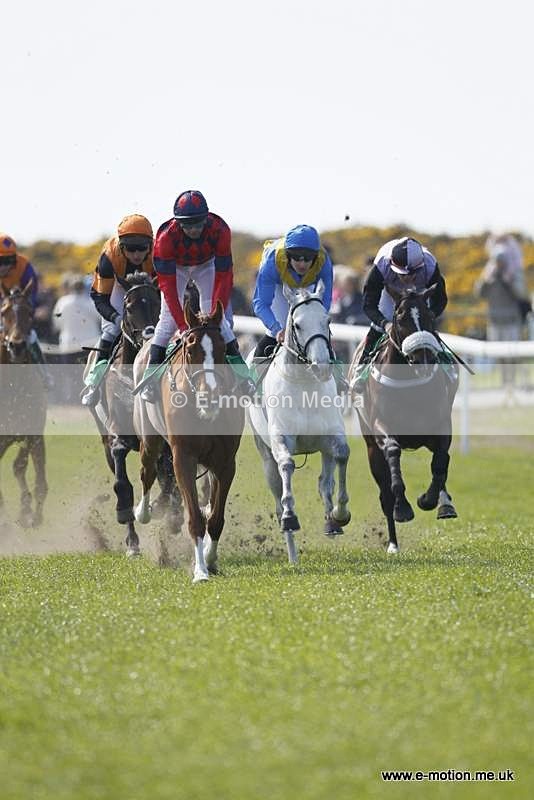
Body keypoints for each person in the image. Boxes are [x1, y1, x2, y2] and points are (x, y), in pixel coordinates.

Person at [139, 190, 254, 402]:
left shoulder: (220, 230)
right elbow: (169, 289)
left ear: (206, 218)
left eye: (198, 224)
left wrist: (214, 314)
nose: (193, 229)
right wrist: (183, 327)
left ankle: (243, 376)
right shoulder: (165, 238)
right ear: (178, 222)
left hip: (206, 266)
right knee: (166, 321)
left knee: (220, 323)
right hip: (176, 269)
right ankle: (150, 380)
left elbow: (224, 276)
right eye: (187, 225)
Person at [351, 236, 448, 391]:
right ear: (392, 265)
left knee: (425, 327)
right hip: (390, 295)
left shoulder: (430, 266)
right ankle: (361, 370)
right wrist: (385, 324)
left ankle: (446, 367)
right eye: (402, 274)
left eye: (412, 274)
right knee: (378, 327)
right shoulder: (381, 267)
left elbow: (441, 301)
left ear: (420, 267)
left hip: (420, 295)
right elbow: (368, 305)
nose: (407, 279)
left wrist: (428, 317)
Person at [81, 214, 154, 406]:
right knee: (112, 330)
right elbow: (99, 297)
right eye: (131, 248)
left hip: (148, 290)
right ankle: (94, 382)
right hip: (117, 288)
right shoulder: (109, 257)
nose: (137, 254)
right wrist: (115, 318)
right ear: (121, 247)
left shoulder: (159, 254)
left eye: (142, 248)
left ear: (151, 245)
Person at [0, 232, 52, 386]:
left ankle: (45, 374)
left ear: (15, 259)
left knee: (31, 336)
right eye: (0, 261)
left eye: (8, 261)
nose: (4, 266)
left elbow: (33, 296)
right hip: (4, 307)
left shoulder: (25, 266)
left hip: (17, 309)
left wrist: (26, 309)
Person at [475, 234, 529, 342]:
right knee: (496, 356)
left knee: (512, 357)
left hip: (511, 322)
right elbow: (479, 293)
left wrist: (509, 281)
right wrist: (486, 280)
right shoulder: (489, 272)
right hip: (494, 322)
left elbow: (521, 294)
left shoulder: (515, 272)